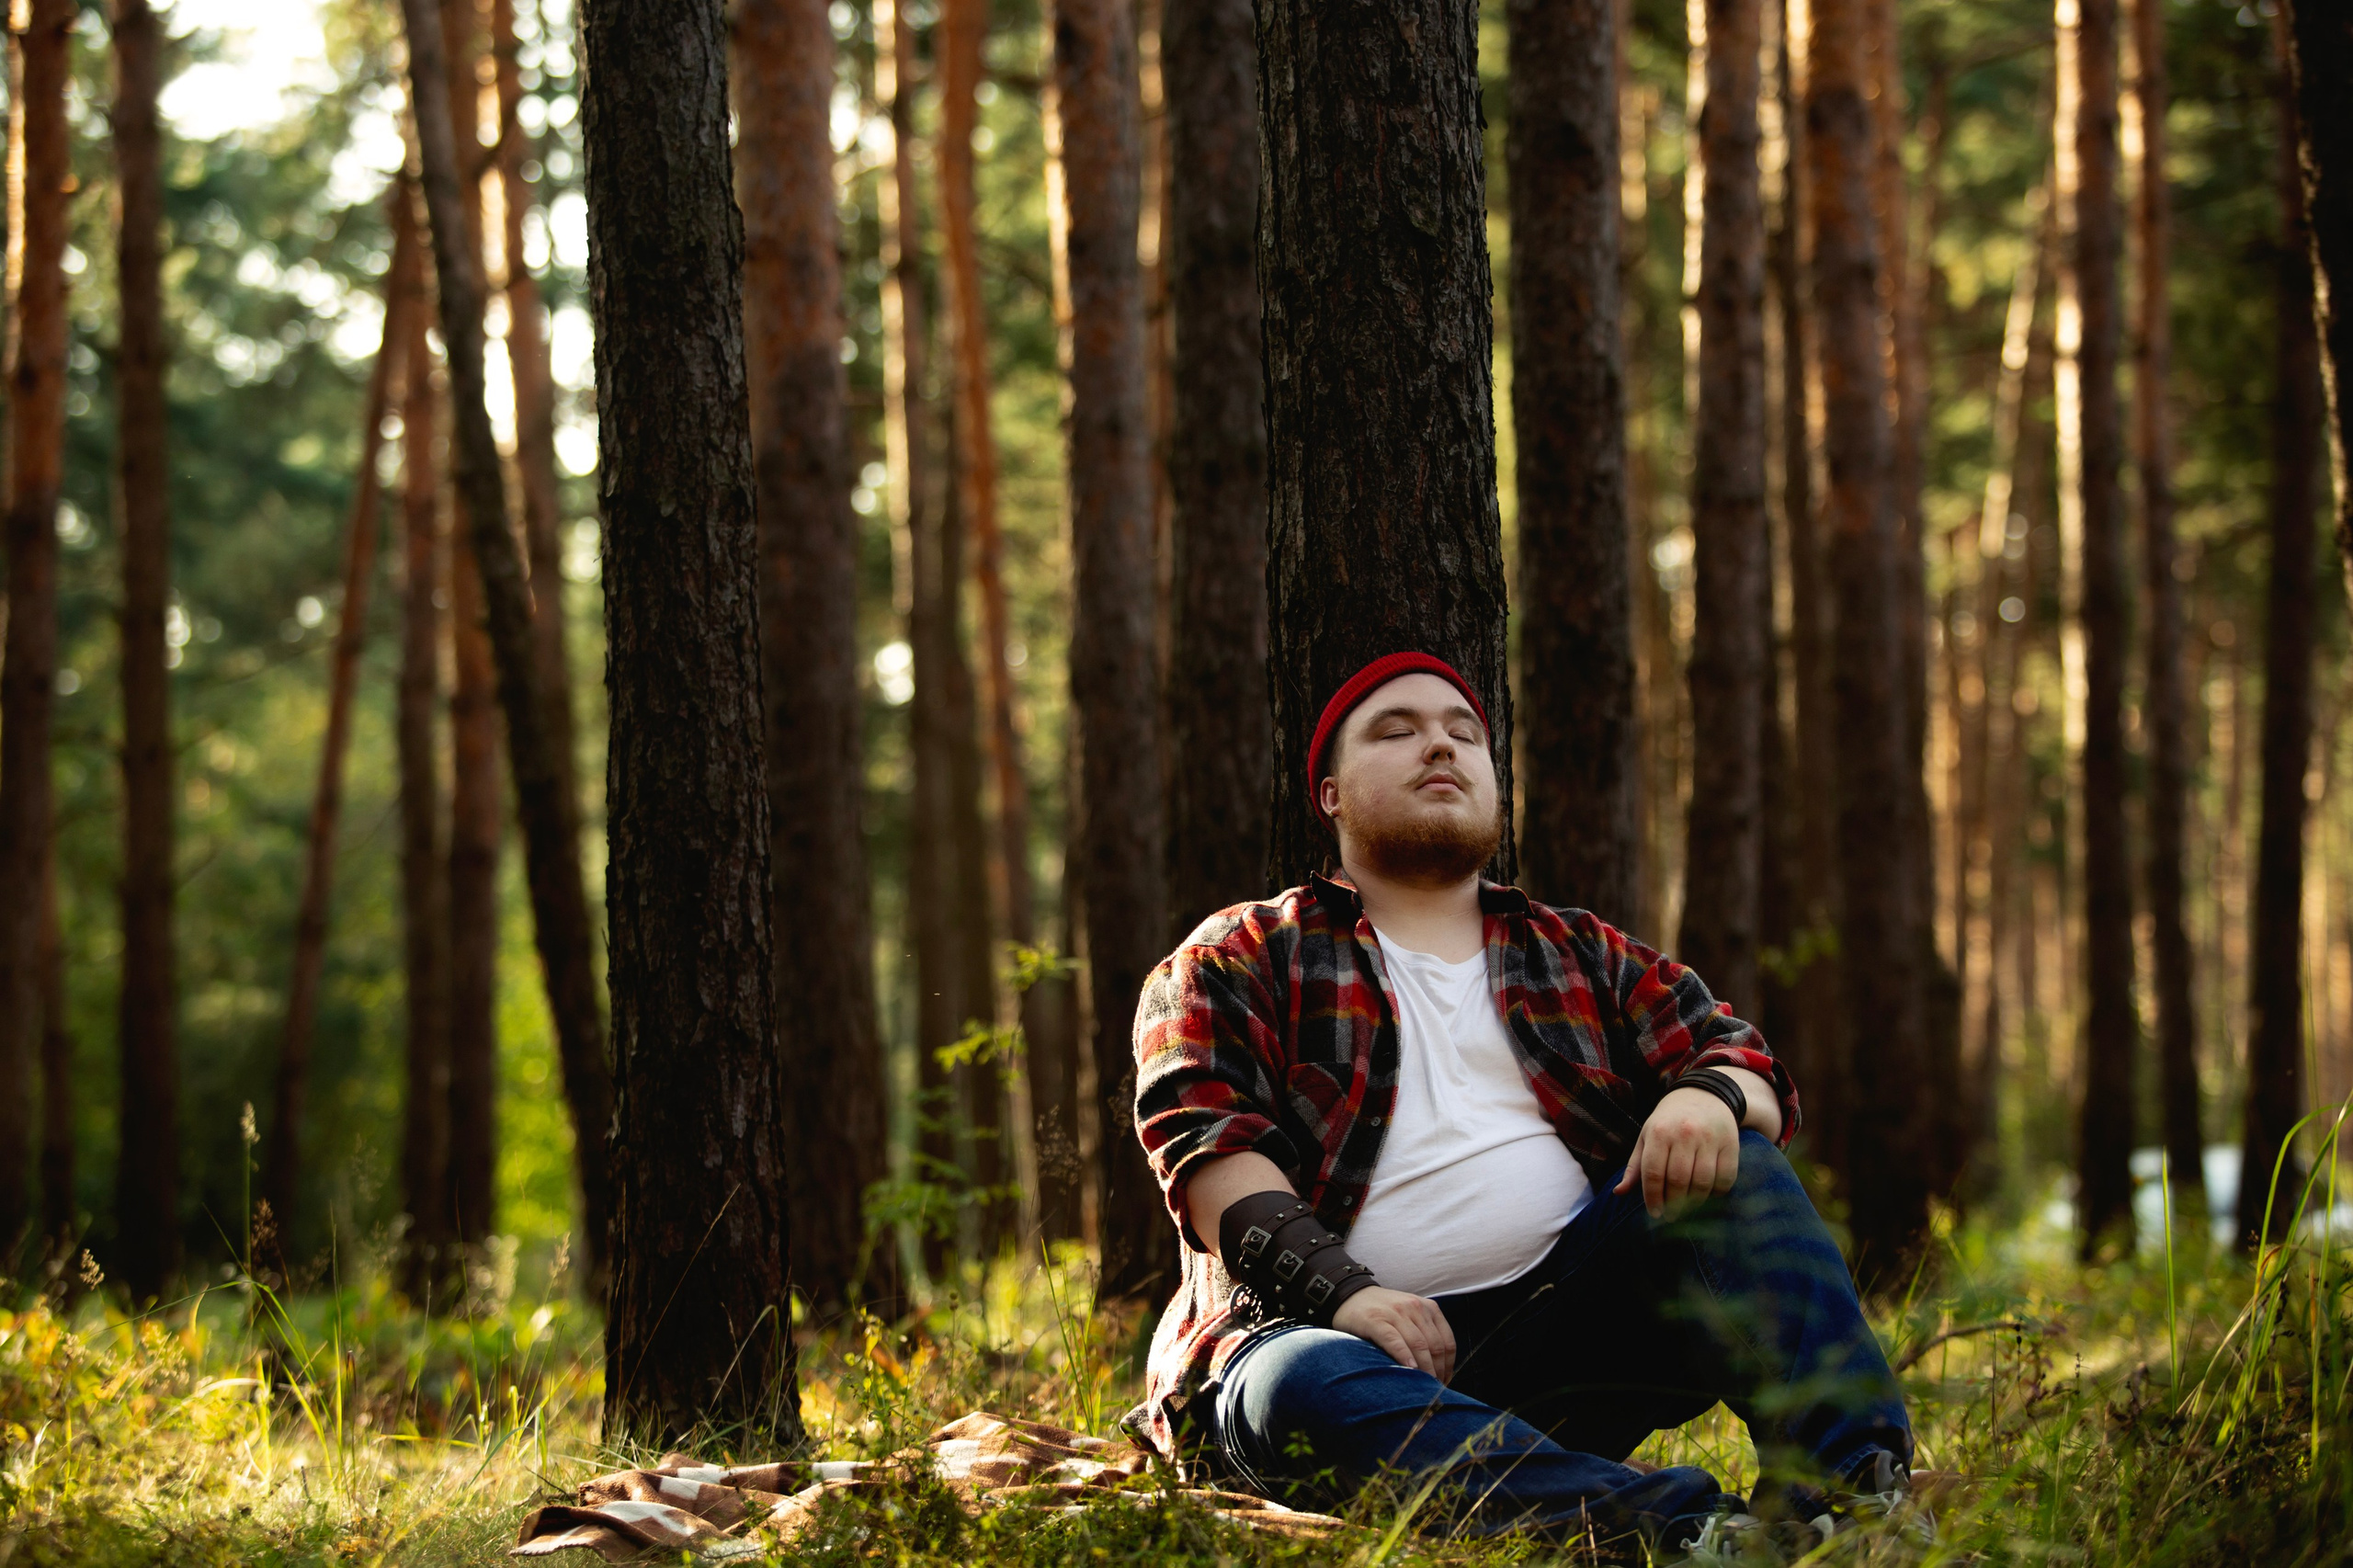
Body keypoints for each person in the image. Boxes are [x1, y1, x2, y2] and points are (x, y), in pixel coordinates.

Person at [1124, 651, 1919, 1562]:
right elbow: (1206, 1153)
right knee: (1292, 1383)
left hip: (1564, 1343)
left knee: (1735, 1156)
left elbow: (1747, 1063)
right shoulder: (1239, 955)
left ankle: (1851, 1500)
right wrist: (1348, 1296)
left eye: (1463, 732)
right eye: (1398, 729)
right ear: (1331, 793)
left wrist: (1707, 1093)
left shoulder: (1578, 950)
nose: (1440, 745)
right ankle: (1691, 1534)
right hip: (1338, 1362)